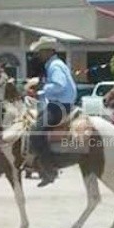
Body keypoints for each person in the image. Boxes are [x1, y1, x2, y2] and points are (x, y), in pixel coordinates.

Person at [28, 36, 77, 187]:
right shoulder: (56, 64)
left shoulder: (54, 65)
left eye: (41, 51)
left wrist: (42, 87)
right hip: (62, 104)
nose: (39, 55)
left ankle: (49, 169)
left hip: (59, 106)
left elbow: (59, 85)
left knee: (36, 132)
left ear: (48, 51)